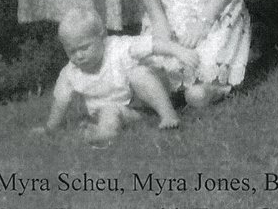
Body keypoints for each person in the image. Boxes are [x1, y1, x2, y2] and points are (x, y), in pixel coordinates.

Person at [31, 10, 199, 145]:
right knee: (109, 110)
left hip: (143, 102)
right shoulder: (70, 73)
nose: (79, 56)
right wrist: (50, 128)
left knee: (138, 73)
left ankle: (168, 115)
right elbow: (61, 102)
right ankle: (104, 132)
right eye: (71, 51)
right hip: (119, 112)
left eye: (84, 48)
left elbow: (152, 45)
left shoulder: (118, 48)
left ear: (102, 37)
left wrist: (179, 51)